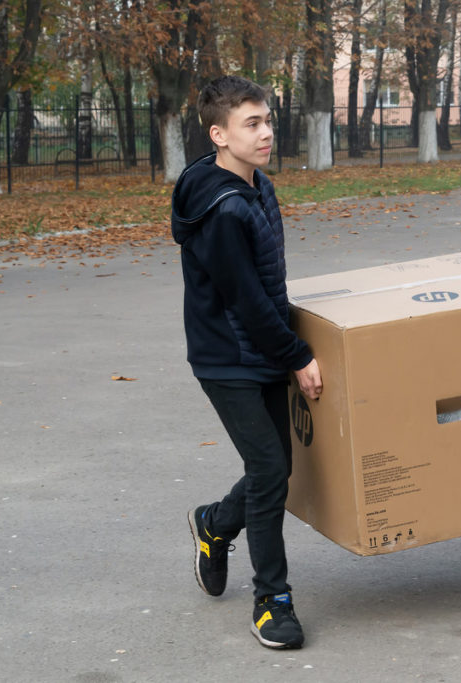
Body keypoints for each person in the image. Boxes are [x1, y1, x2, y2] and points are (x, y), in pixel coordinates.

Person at [171, 75, 322, 649]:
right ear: (219, 135)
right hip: (227, 358)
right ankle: (272, 600)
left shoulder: (258, 186)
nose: (266, 133)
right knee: (269, 470)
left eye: (267, 121)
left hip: (260, 348)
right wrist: (297, 355)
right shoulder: (222, 208)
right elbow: (245, 298)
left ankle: (214, 524)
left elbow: (267, 284)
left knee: (275, 468)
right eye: (251, 124)